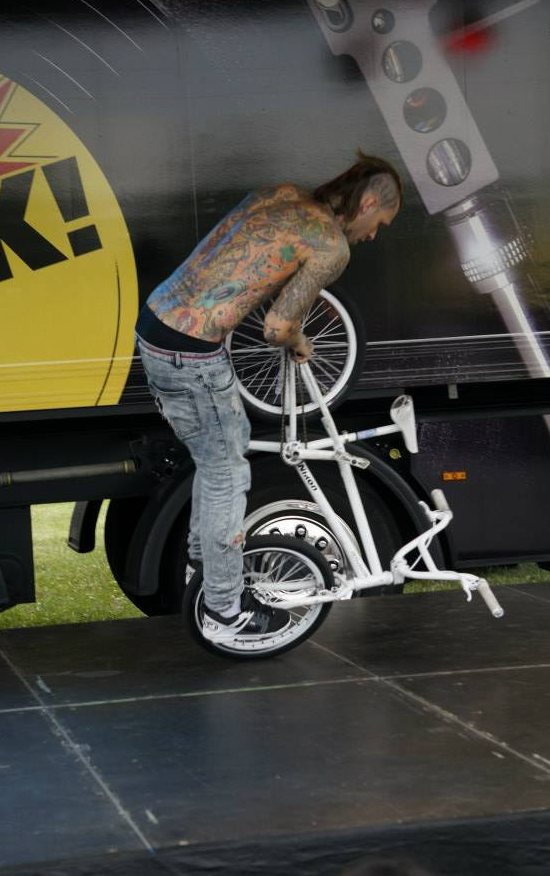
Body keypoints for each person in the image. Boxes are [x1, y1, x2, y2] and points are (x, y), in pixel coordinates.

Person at [135, 148, 402, 644]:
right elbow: (277, 327)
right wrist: (300, 341)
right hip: (192, 351)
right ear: (367, 204)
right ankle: (223, 610)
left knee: (221, 448)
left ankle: (205, 558)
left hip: (156, 322)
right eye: (380, 223)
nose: (373, 235)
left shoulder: (282, 194)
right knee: (227, 474)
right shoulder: (331, 246)